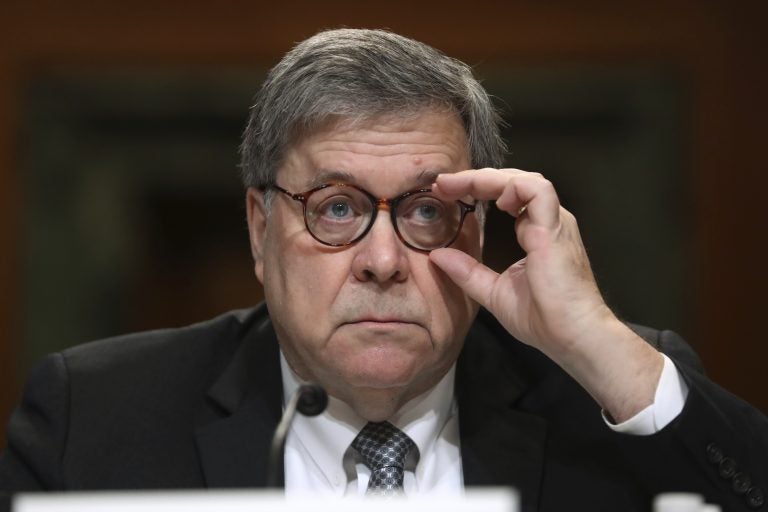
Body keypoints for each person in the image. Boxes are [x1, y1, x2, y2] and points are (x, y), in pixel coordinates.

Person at [1, 28, 766, 512]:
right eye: (336, 209)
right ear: (261, 231)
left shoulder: (603, 397)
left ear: (477, 229)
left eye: (426, 211)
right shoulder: (93, 416)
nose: (382, 261)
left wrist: (599, 343)